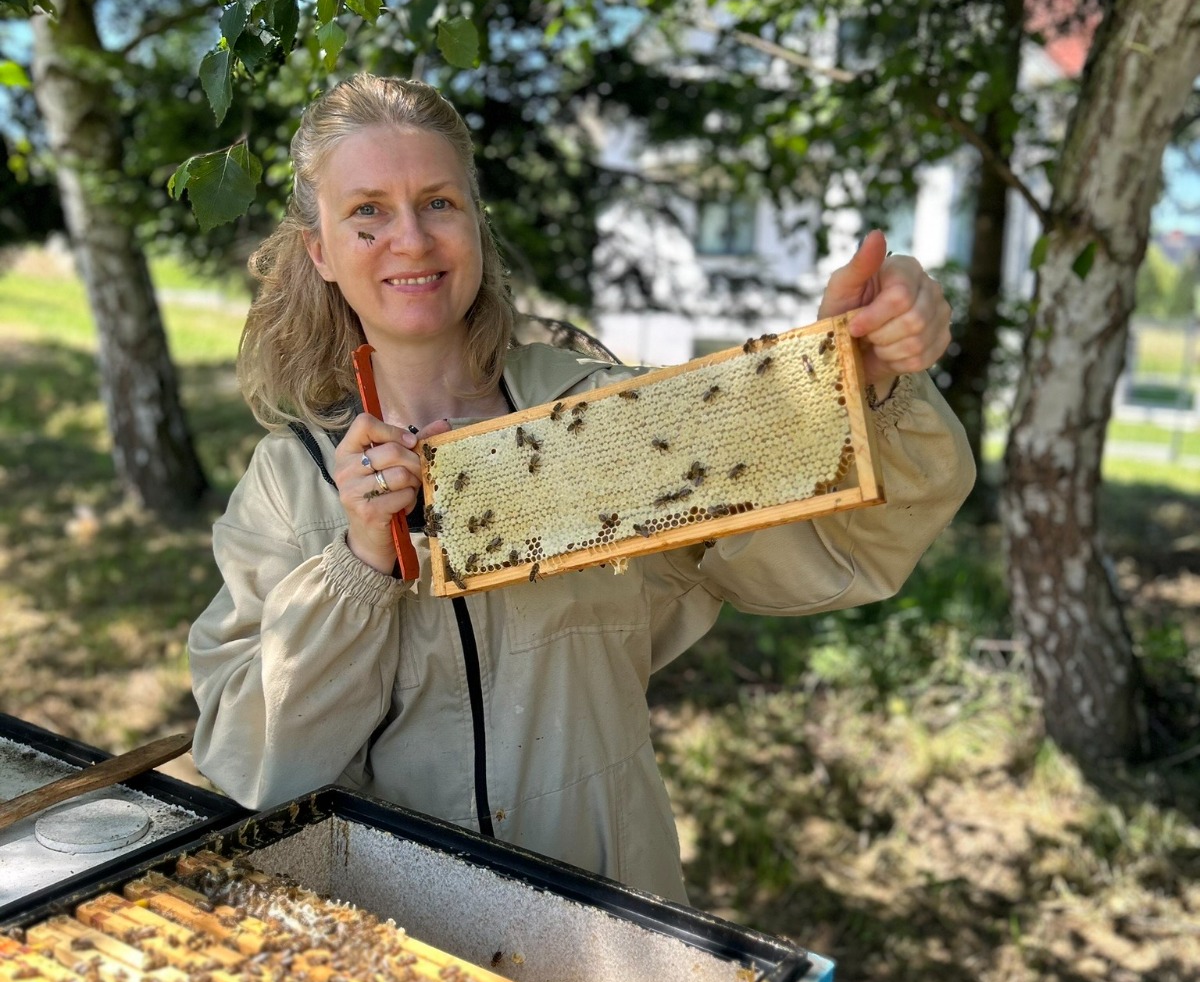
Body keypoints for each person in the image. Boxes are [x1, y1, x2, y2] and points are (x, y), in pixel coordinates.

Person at [189, 74, 974, 905]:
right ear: (321, 251)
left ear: (475, 225)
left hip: (608, 901)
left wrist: (862, 387)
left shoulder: (604, 416)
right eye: (368, 212)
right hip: (397, 927)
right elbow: (250, 757)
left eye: (439, 203)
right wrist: (357, 562)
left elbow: (838, 551)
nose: (411, 239)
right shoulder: (287, 484)